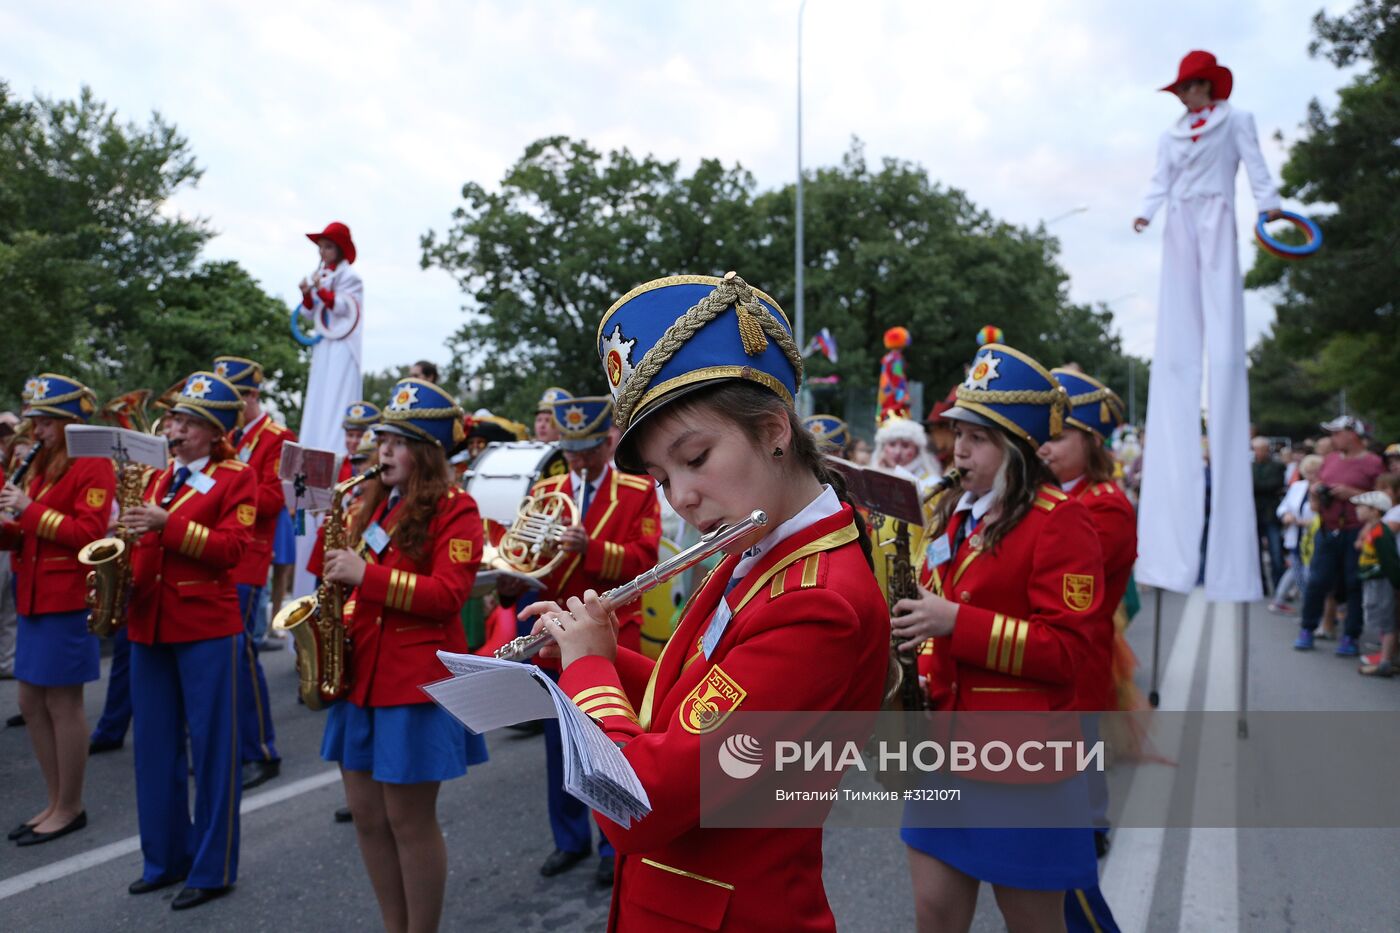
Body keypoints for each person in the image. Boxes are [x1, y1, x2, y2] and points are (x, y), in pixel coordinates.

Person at [528, 272, 888, 930]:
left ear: (775, 429)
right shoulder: (754, 547)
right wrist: (593, 653)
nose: (681, 498)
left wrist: (588, 673)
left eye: (695, 456)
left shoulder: (819, 600)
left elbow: (637, 802)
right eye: (664, 476)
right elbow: (694, 697)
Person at [893, 344, 1103, 933]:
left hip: (1022, 767)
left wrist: (955, 624)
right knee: (934, 916)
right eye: (958, 432)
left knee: (1034, 924)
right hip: (940, 751)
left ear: (1015, 446)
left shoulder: (1060, 520)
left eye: (978, 437)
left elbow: (1067, 653)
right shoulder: (952, 513)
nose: (958, 448)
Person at [319, 377, 488, 933]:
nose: (381, 451)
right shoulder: (369, 503)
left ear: (426, 452)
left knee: (408, 821)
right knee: (367, 819)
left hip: (413, 682)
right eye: (381, 440)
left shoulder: (457, 509)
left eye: (396, 442)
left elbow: (448, 595)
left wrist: (365, 575)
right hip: (359, 676)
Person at [1133, 50, 1284, 604]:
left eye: (1185, 90)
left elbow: (1257, 167)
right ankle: (1169, 555)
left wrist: (1271, 210)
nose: (1180, 99)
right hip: (1180, 219)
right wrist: (1147, 211)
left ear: (1204, 87)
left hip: (1218, 212)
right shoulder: (1171, 137)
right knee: (1176, 342)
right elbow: (1159, 179)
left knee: (1222, 343)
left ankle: (1226, 564)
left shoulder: (1236, 120)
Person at [123, 371, 255, 909]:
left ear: (210, 430)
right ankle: (164, 859)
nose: (171, 427)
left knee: (214, 751)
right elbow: (141, 537)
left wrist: (164, 525)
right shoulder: (157, 475)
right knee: (153, 750)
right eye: (173, 418)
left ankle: (212, 867)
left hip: (205, 627)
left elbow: (232, 550)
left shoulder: (235, 476)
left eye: (183, 420)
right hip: (148, 622)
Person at [526, 392, 661, 886]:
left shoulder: (638, 488)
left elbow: (646, 560)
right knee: (558, 743)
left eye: (586, 448)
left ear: (608, 441)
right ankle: (568, 840)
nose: (577, 459)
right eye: (570, 449)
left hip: (610, 637)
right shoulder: (550, 487)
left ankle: (613, 843)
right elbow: (528, 556)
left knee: (608, 738)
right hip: (554, 637)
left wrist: (593, 548)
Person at [1042, 367, 1135, 931]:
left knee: (1076, 764)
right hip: (1049, 669)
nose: (1044, 446)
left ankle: (1090, 829)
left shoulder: (1105, 505)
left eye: (1059, 437)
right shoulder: (1054, 496)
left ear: (1091, 444)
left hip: (1075, 659)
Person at [0, 375, 112, 847]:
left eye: (45, 422)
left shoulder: (92, 465)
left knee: (62, 704)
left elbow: (89, 535)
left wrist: (26, 510)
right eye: (35, 421)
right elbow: (24, 534)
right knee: (30, 702)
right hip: (32, 594)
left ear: (70, 422)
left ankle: (71, 805)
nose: (36, 430)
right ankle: (52, 799)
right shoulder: (41, 464)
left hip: (66, 598)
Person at [213, 356, 295, 790]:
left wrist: (223, 488)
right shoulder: (223, 433)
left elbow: (270, 500)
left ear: (251, 396)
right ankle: (227, 747)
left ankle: (262, 750)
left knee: (242, 659)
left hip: (246, 560)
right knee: (217, 662)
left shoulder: (278, 438)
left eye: (230, 399)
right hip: (210, 558)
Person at [1293, 416, 1385, 655]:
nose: (1332, 438)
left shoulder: (1373, 463)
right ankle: (1307, 628)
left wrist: (1352, 494)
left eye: (1336, 433)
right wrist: (1316, 492)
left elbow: (1384, 500)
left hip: (1356, 531)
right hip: (1327, 529)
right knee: (1317, 581)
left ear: (1352, 434)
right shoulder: (1331, 459)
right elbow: (1319, 486)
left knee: (1354, 584)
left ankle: (1350, 636)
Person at [295, 222, 365, 456]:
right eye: (320, 247)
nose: (321, 252)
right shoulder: (322, 276)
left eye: (327, 247)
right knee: (318, 396)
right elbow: (308, 312)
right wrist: (307, 294)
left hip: (343, 345)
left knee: (337, 396)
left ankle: (336, 453)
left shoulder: (351, 277)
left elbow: (343, 307)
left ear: (339, 249)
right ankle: (311, 447)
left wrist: (321, 291)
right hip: (324, 343)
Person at [1352, 491, 1400, 677]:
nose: (1357, 510)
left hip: (1383, 582)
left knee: (1388, 620)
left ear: (1375, 510)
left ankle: (1385, 662)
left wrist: (1395, 582)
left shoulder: (1381, 532)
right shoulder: (1373, 529)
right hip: (1374, 581)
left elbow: (1390, 561)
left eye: (1362, 507)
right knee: (1381, 617)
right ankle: (1386, 657)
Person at [1272, 453, 1322, 613]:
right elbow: (1283, 507)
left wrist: (1306, 522)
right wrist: (1285, 515)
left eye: (1314, 472)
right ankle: (1305, 608)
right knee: (1297, 573)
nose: (1310, 475)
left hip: (1313, 538)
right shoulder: (1297, 486)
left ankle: (1311, 610)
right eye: (1307, 472)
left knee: (1309, 576)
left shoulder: (1323, 488)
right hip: (1296, 536)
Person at [1252, 437, 1287, 593]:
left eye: (1261, 449)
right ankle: (1262, 585)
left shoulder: (1277, 466)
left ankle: (1279, 586)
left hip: (1271, 513)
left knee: (1276, 552)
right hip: (1256, 514)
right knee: (1255, 553)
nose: (1258, 453)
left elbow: (1274, 484)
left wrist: (1258, 486)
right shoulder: (1250, 466)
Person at [337, 401, 382, 484]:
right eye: (350, 435)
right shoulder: (339, 466)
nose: (354, 441)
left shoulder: (381, 468)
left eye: (360, 436)